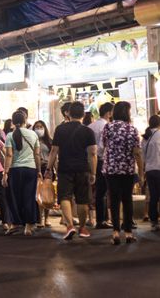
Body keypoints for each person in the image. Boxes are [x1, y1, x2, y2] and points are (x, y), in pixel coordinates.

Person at [46, 101, 97, 240]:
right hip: (82, 168)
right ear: (82, 114)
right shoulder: (88, 131)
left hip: (64, 168)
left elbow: (54, 151)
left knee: (64, 197)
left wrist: (48, 168)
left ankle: (69, 226)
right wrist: (93, 172)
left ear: (68, 113)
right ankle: (82, 228)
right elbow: (92, 154)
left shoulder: (60, 129)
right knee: (82, 200)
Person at [102, 101, 143, 244]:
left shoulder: (108, 127)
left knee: (113, 199)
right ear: (127, 112)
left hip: (111, 169)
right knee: (127, 200)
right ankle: (128, 233)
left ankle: (115, 232)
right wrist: (141, 172)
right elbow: (137, 153)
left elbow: (105, 145)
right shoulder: (132, 129)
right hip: (127, 169)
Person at [3, 111, 40, 236]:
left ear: (13, 122)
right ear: (26, 120)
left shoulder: (10, 135)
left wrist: (5, 173)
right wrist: (39, 170)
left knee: (14, 197)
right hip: (31, 169)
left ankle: (15, 224)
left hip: (15, 170)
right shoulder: (33, 134)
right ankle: (28, 227)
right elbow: (37, 154)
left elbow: (9, 155)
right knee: (29, 197)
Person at [88, 102, 114, 229]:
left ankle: (102, 219)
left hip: (92, 160)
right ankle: (102, 220)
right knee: (103, 191)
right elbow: (103, 146)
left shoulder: (91, 126)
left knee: (98, 191)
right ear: (109, 113)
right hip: (102, 160)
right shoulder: (107, 126)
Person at [33, 120, 53, 228]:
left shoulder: (49, 141)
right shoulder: (32, 140)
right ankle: (40, 219)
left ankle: (47, 218)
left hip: (47, 168)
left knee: (48, 194)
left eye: (41, 127)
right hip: (36, 168)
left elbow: (53, 155)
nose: (39, 129)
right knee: (39, 195)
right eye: (37, 127)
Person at [142, 114, 160, 232]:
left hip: (149, 170)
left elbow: (143, 155)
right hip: (159, 168)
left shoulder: (145, 137)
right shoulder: (159, 134)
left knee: (153, 196)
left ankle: (154, 221)